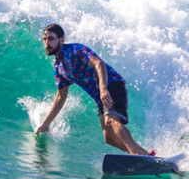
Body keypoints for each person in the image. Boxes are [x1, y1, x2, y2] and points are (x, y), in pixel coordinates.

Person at [34, 23, 151, 155]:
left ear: (62, 39)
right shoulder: (59, 67)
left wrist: (103, 89)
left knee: (111, 120)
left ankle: (136, 153)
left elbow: (98, 63)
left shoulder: (75, 50)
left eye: (51, 39)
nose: (47, 43)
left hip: (111, 85)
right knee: (109, 138)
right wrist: (46, 123)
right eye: (44, 39)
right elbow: (61, 97)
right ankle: (143, 155)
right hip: (99, 97)